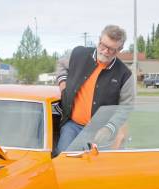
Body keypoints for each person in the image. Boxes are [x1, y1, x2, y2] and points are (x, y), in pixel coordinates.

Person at [55, 25, 135, 154]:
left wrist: (109, 128)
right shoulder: (78, 54)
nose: (105, 51)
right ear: (99, 40)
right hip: (72, 125)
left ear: (120, 49)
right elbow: (61, 64)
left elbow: (126, 106)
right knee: (62, 159)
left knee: (97, 168)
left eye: (111, 49)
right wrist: (63, 83)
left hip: (101, 132)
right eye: (103, 45)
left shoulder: (125, 75)